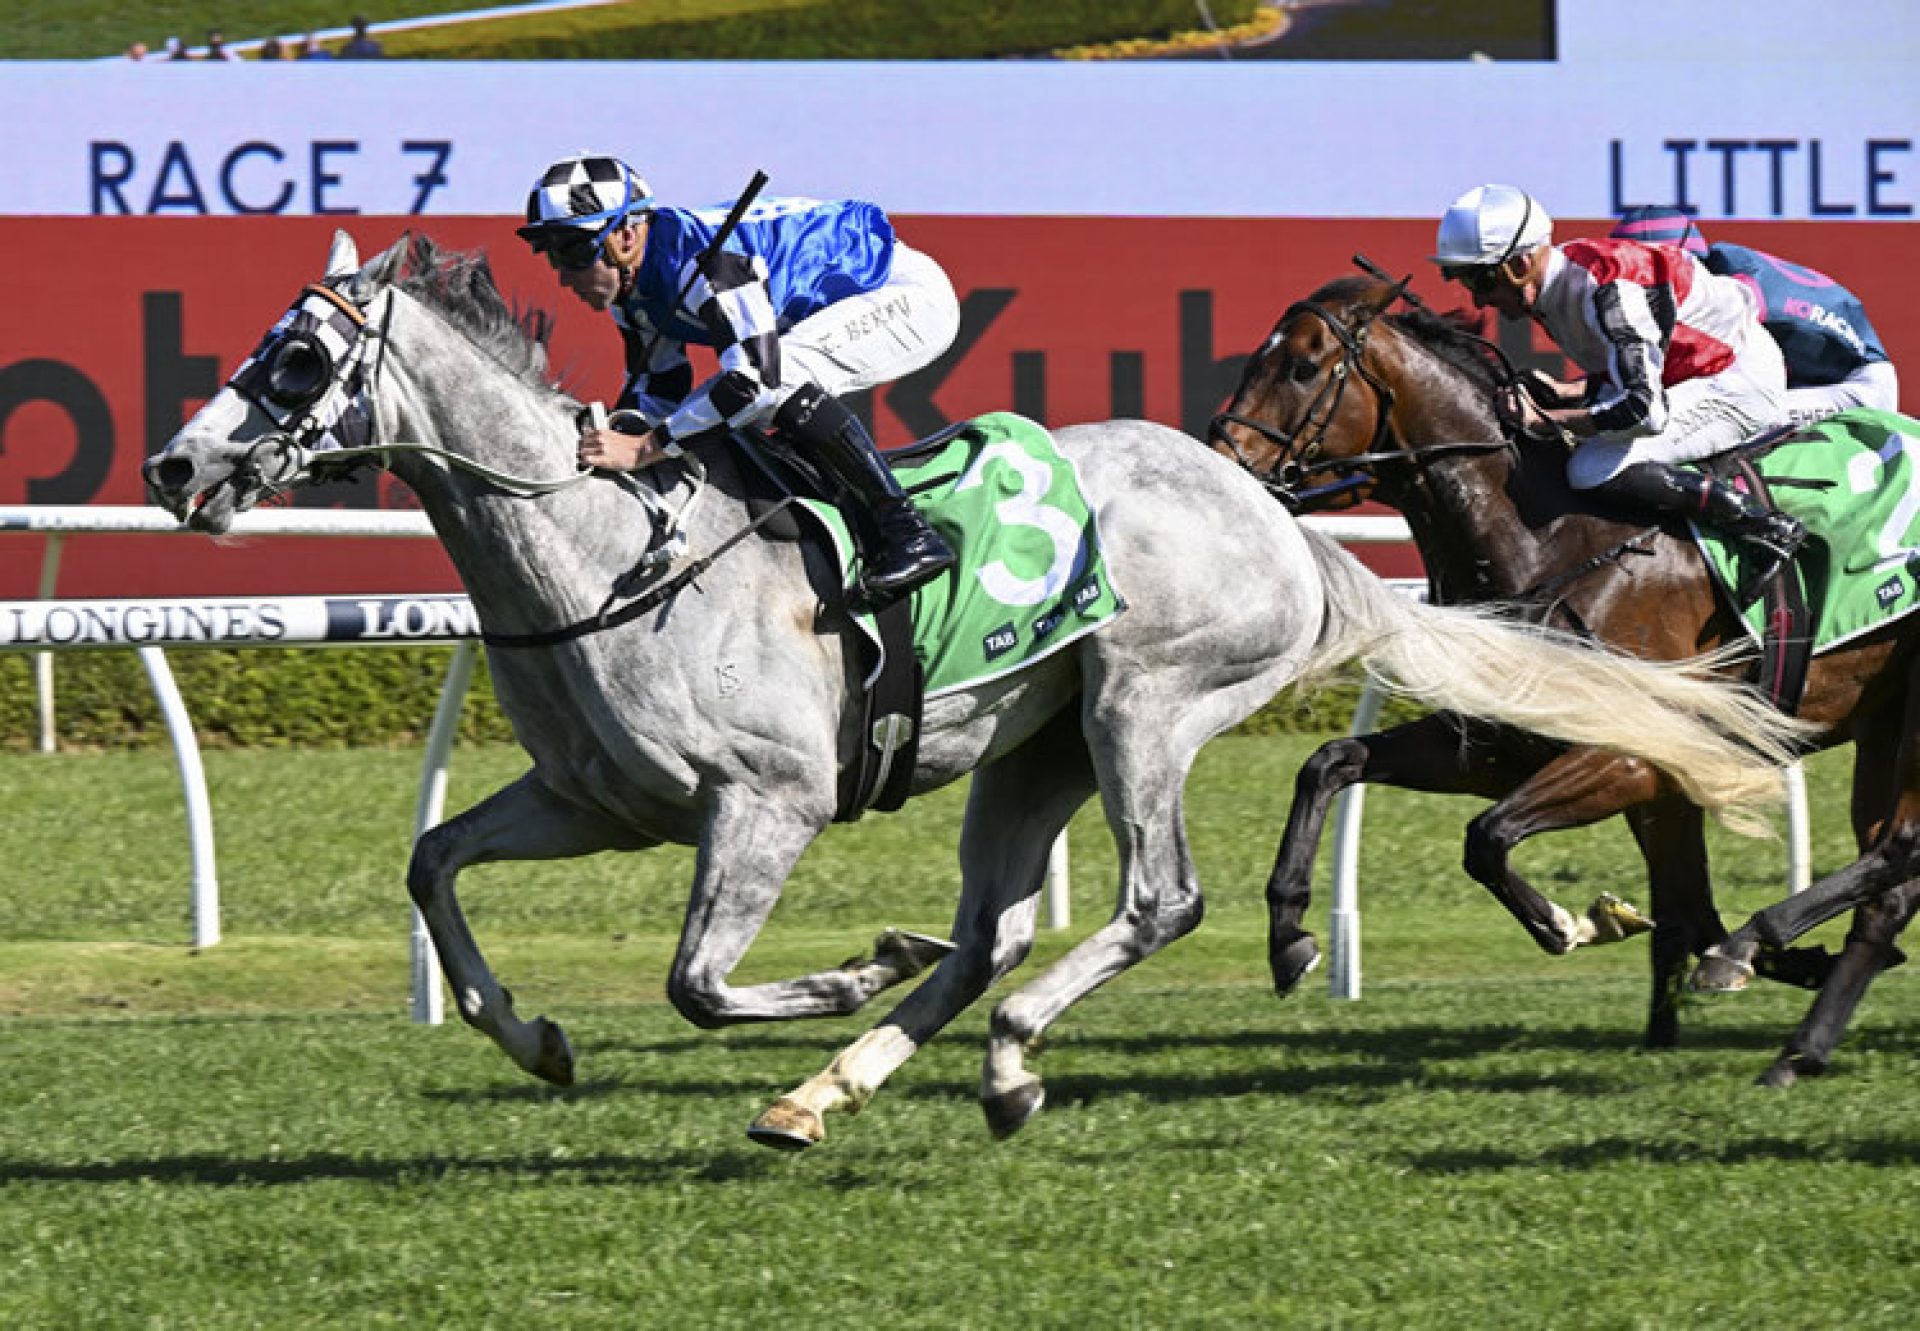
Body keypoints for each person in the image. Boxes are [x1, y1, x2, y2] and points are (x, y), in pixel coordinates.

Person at [515, 153, 961, 609]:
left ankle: (908, 532)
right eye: (551, 254)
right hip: (823, 312)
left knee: (776, 381)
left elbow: (755, 382)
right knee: (717, 408)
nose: (563, 275)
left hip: (901, 294)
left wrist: (644, 448)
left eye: (572, 251)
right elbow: (658, 395)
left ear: (625, 237)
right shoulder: (631, 294)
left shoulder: (706, 264)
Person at [1430, 183, 1802, 601]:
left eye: (1482, 279)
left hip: (1737, 379)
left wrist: (1547, 421)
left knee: (1591, 469)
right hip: (1693, 372)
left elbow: (1643, 411)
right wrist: (1565, 392)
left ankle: (1763, 527)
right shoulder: (1558, 284)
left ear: (1520, 264)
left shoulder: (1610, 289)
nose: (1480, 299)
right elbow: (1633, 370)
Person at [1611, 206, 1899, 428]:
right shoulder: (1721, 267)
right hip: (1807, 377)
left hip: (1858, 386)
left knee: (1724, 418)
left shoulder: (1739, 289)